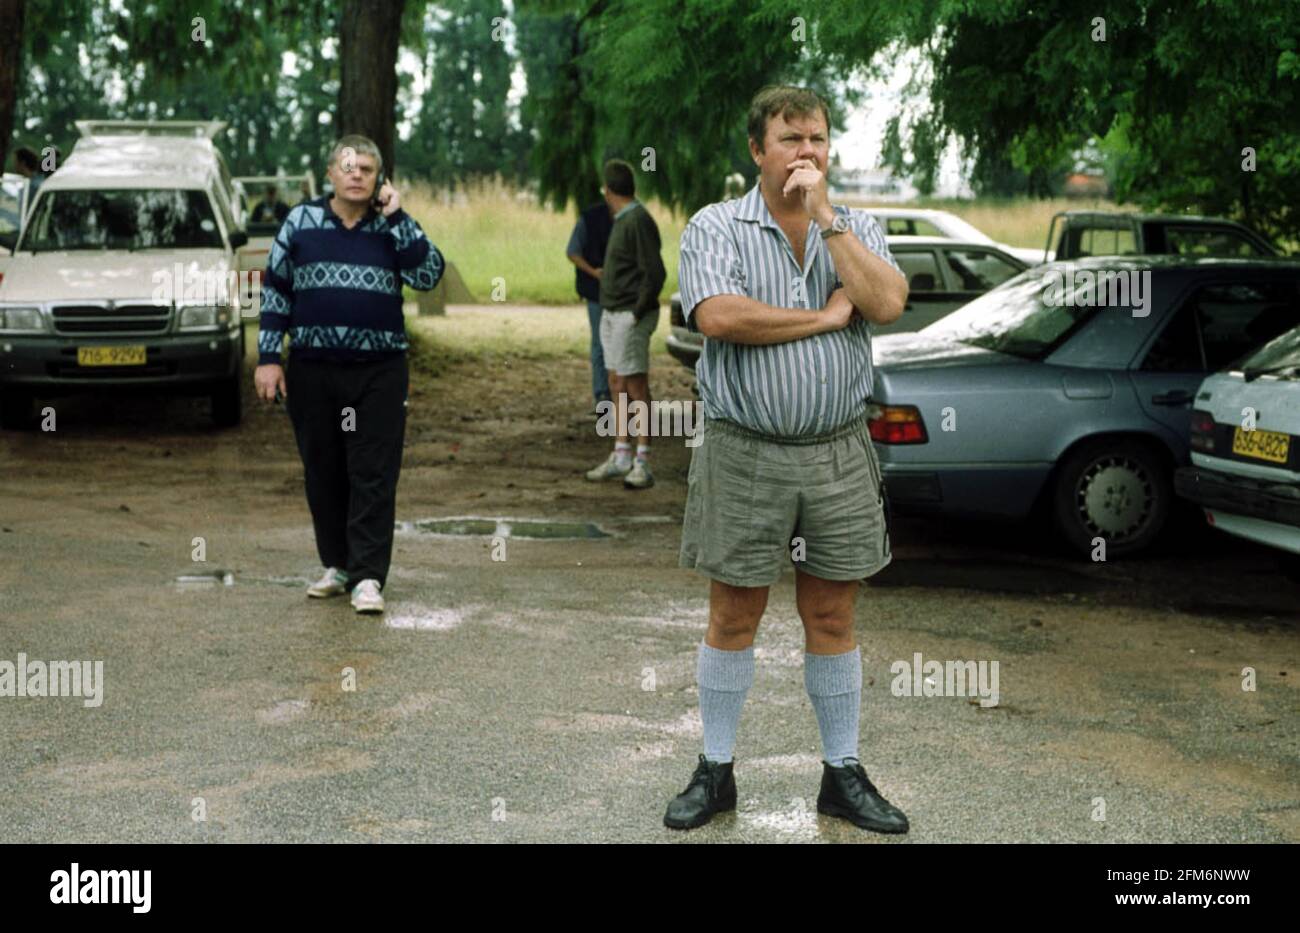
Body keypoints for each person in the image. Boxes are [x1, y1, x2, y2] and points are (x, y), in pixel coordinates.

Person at [665, 86, 911, 832]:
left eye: (818, 140)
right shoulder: (717, 225)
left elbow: (890, 301)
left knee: (832, 613)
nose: (806, 152)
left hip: (838, 452)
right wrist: (827, 316)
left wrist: (831, 222)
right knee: (734, 612)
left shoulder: (856, 226)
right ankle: (715, 770)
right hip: (745, 451)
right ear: (756, 149)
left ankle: (842, 774)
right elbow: (718, 316)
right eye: (790, 138)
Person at [254, 134, 444, 615]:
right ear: (330, 175)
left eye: (366, 168)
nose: (356, 174)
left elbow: (429, 276)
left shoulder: (392, 226)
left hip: (379, 372)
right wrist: (269, 357)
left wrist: (398, 217)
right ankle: (337, 565)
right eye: (347, 166)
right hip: (314, 369)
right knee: (323, 470)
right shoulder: (300, 222)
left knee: (373, 472)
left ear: (379, 177)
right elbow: (276, 290)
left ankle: (367, 577)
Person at [583, 159, 666, 490]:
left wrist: (637, 311)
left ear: (608, 191)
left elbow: (654, 271)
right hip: (612, 313)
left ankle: (642, 460)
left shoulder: (638, 220)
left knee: (635, 385)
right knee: (617, 382)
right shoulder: (624, 219)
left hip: (629, 315)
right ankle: (620, 454)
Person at [566, 197, 614, 413]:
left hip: (611, 291)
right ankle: (603, 393)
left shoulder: (590, 217)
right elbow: (572, 252)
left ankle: (610, 393)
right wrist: (594, 272)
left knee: (605, 343)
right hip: (597, 292)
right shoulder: (590, 218)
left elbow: (572, 252)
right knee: (600, 343)